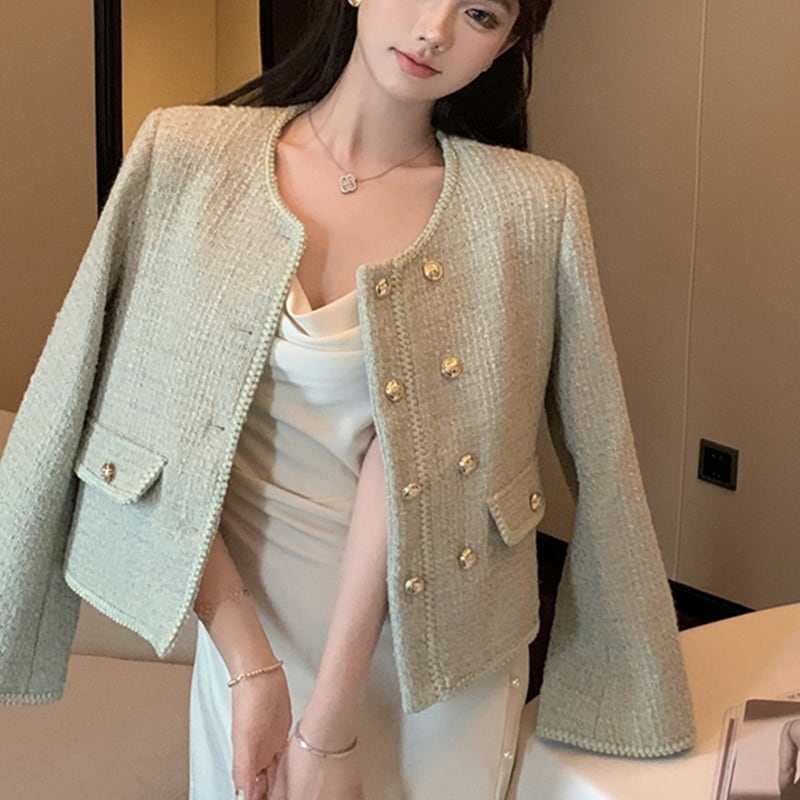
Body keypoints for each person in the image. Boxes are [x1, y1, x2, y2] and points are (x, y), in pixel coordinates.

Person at [0, 1, 696, 798]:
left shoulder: (527, 207)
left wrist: (329, 725)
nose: (435, 29)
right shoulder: (184, 154)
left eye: (480, 13)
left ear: (508, 44)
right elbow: (152, 431)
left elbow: (580, 454)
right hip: (252, 634)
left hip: (441, 658)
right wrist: (249, 665)